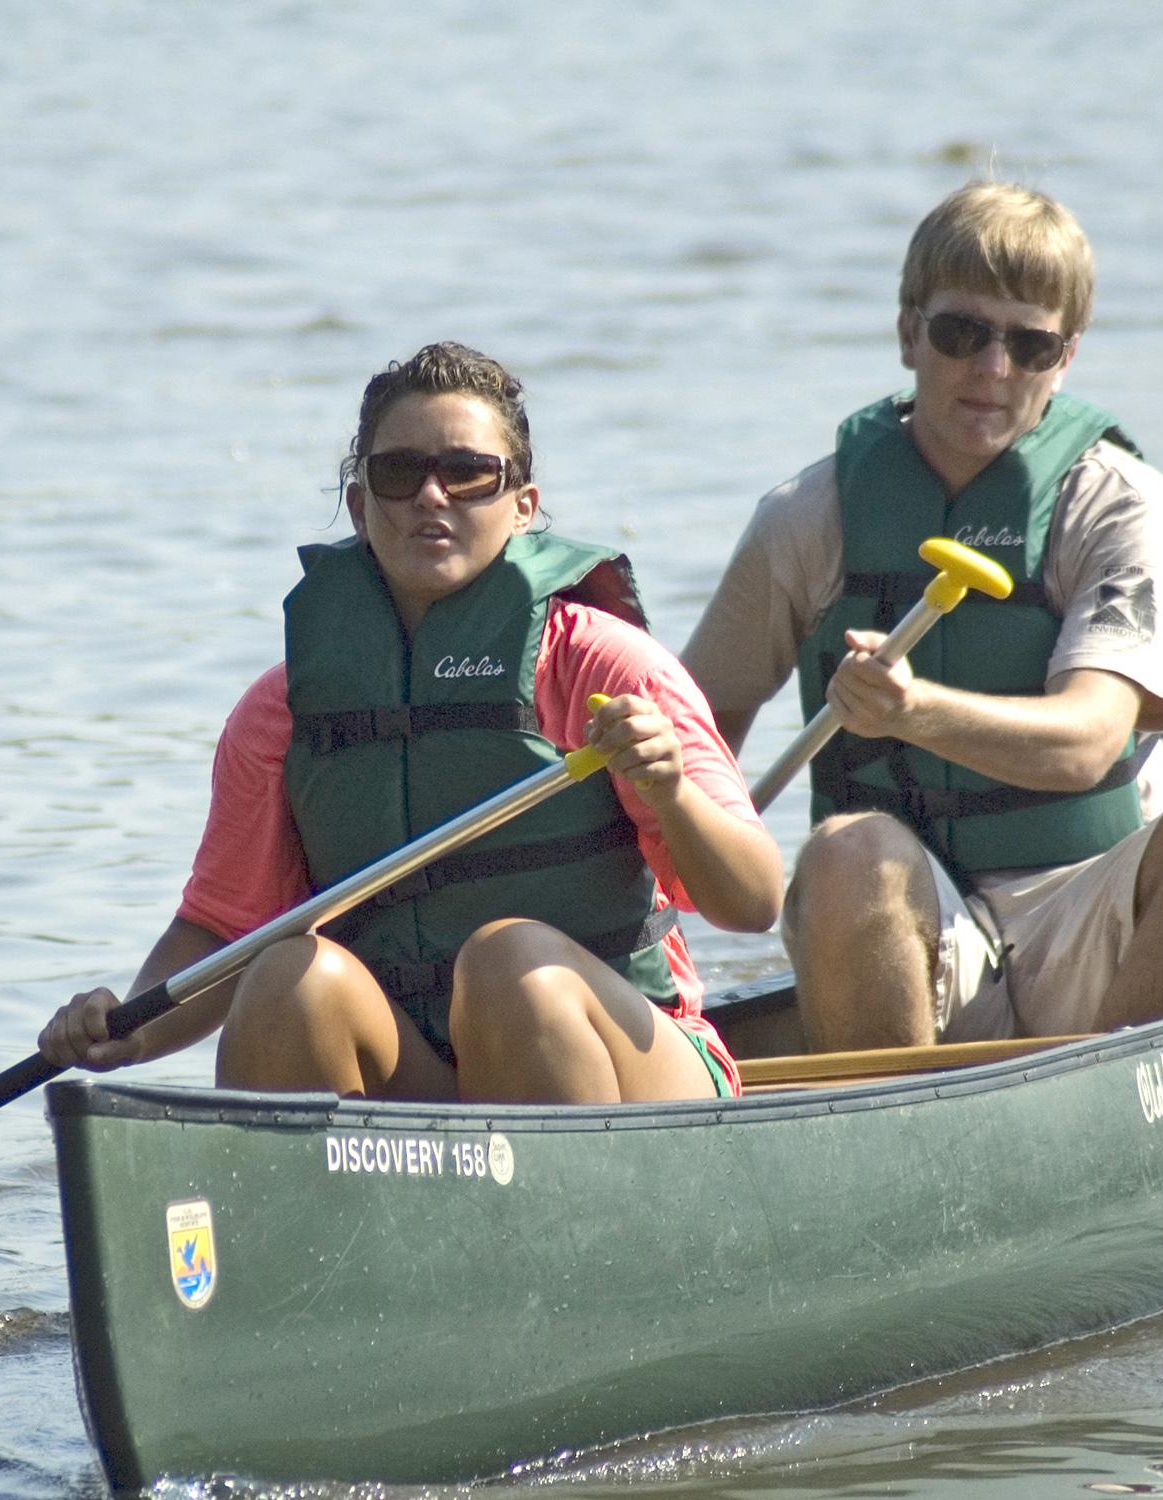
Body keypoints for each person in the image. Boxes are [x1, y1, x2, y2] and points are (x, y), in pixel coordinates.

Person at [40, 342, 782, 1102]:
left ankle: (572, 1207)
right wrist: (126, 1026)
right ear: (362, 506)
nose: (433, 497)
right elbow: (225, 932)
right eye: (400, 474)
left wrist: (671, 792)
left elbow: (754, 902)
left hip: (639, 1069)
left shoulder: (607, 666)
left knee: (508, 962)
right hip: (428, 1074)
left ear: (523, 506)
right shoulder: (282, 713)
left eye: (467, 474)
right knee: (287, 975)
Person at [681, 182, 1163, 1051]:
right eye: (961, 333)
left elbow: (1087, 741)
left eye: (1029, 343)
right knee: (850, 853)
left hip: (1090, 915)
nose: (993, 370)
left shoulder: (1119, 506)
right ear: (907, 332)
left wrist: (910, 711)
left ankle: (1118, 1091)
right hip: (904, 926)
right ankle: (896, 1124)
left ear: (1065, 357)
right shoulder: (806, 518)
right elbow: (695, 745)